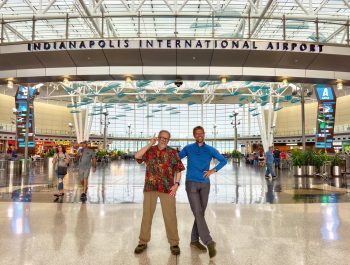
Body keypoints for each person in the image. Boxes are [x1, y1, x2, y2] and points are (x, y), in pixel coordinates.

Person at [179, 126, 227, 259]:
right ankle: (208, 241)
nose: (199, 135)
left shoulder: (210, 149)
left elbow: (224, 161)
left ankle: (194, 240)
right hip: (191, 184)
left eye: (201, 133)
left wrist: (213, 170)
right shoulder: (188, 148)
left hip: (205, 184)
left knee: (200, 212)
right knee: (198, 212)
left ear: (204, 135)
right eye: (197, 133)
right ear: (194, 135)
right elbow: (176, 159)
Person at [134, 130, 185, 255]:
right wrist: (149, 144)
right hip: (150, 187)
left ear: (168, 140)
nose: (164, 140)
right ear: (158, 138)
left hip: (167, 188)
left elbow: (179, 170)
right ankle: (142, 242)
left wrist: (176, 184)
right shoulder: (150, 150)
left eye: (166, 138)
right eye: (162, 137)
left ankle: (174, 243)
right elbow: (137, 156)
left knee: (170, 216)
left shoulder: (173, 152)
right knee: (147, 215)